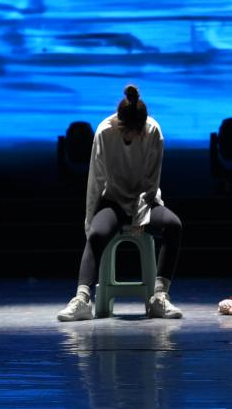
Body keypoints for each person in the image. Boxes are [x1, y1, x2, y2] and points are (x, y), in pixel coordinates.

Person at [58, 84, 184, 321]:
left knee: (173, 225)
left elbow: (151, 183)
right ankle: (82, 299)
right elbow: (96, 182)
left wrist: (138, 217)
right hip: (114, 200)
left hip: (146, 202)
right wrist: (89, 221)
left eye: (137, 132)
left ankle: (159, 297)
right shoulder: (105, 131)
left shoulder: (153, 131)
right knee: (97, 233)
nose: (132, 136)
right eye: (128, 131)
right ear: (119, 124)